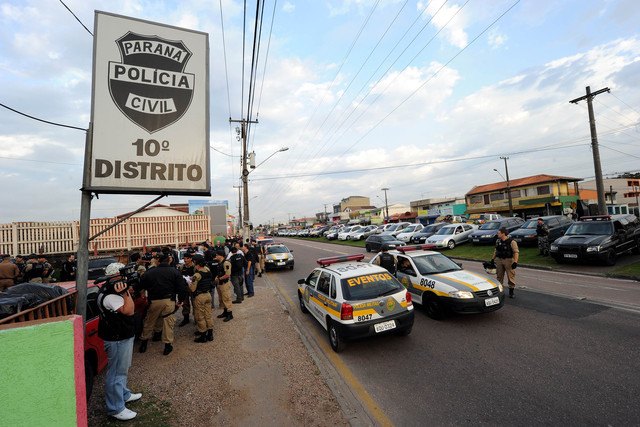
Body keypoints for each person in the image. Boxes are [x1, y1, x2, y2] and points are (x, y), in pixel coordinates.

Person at [97, 263, 142, 421]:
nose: (125, 279)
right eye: (122, 276)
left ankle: (123, 394)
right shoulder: (111, 296)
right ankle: (116, 408)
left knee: (123, 368)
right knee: (116, 373)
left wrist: (125, 292)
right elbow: (129, 310)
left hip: (121, 335)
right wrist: (125, 293)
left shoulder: (110, 291)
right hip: (117, 338)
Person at [137, 253, 189, 356]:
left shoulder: (150, 272)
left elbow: (141, 285)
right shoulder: (174, 272)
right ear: (169, 261)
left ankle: (144, 343)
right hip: (168, 300)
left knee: (149, 321)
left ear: (158, 261)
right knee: (168, 323)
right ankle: (167, 346)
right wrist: (180, 300)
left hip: (154, 301)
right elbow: (182, 288)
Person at [190, 255, 215, 342]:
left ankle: (203, 335)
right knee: (208, 315)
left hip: (200, 296)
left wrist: (189, 283)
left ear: (197, 264)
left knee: (200, 316)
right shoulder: (208, 271)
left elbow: (192, 289)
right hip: (208, 294)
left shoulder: (197, 275)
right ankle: (210, 334)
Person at [491, 227, 519, 299]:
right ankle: (500, 291)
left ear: (503, 234)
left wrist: (515, 262)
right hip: (500, 260)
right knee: (499, 276)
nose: (497, 234)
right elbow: (496, 251)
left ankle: (511, 291)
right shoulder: (498, 241)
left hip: (508, 260)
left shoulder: (512, 242)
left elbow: (516, 252)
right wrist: (492, 259)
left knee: (510, 276)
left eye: (499, 233)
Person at [214, 250, 234, 322]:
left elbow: (228, 274)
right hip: (219, 283)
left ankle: (229, 313)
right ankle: (225, 312)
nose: (216, 256)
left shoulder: (226, 263)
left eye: (217, 255)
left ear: (221, 255)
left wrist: (219, 278)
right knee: (221, 299)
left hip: (224, 284)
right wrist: (217, 277)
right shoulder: (220, 263)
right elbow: (220, 272)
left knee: (226, 298)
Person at [177, 252, 196, 327]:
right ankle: (186, 318)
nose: (185, 260)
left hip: (193, 287)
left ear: (191, 259)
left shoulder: (194, 267)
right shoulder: (181, 267)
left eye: (187, 258)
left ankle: (196, 318)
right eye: (184, 259)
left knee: (195, 303)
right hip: (184, 287)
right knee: (185, 303)